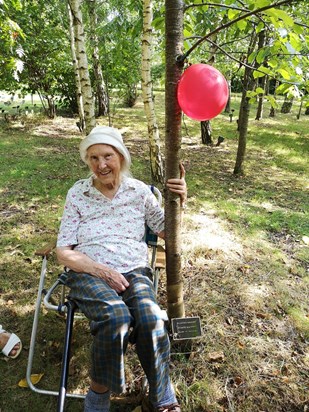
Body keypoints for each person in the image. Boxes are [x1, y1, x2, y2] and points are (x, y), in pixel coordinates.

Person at [56, 126, 187, 412]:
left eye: (107, 156)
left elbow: (168, 231)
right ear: (87, 161)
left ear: (121, 157)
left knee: (151, 319)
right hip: (88, 271)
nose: (101, 165)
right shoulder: (78, 193)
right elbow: (64, 251)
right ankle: (98, 396)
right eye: (93, 158)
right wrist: (102, 271)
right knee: (116, 318)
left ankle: (161, 394)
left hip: (134, 272)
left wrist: (180, 202)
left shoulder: (139, 192)